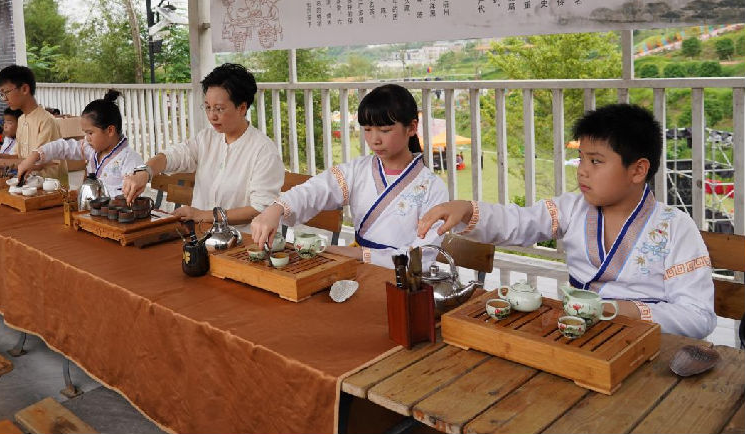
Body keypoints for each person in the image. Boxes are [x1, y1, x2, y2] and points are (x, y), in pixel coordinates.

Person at [417, 104, 716, 339]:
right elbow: (518, 222)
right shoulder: (573, 208)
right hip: (575, 334)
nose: (582, 171)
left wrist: (621, 310)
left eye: (596, 161)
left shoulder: (675, 228)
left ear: (638, 171)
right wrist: (467, 210)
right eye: (582, 159)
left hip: (647, 345)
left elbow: (697, 316)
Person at [250, 84, 450, 267]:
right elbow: (314, 190)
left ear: (412, 128)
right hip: (356, 269)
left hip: (403, 279)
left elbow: (423, 255)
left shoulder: (432, 187)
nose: (374, 140)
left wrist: (359, 254)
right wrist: (276, 209)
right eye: (368, 130)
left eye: (385, 130)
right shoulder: (357, 171)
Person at [122, 63, 284, 228]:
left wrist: (201, 215)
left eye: (219, 109)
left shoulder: (263, 151)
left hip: (243, 244)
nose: (212, 116)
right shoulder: (207, 138)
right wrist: (145, 172)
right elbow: (172, 156)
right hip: (201, 236)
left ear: (242, 108)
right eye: (207, 107)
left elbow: (260, 209)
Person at [17, 90, 143, 195]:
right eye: (85, 133)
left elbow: (129, 195)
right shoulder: (91, 149)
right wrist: (34, 157)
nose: (87, 138)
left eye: (90, 133)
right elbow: (63, 147)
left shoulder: (129, 159)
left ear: (110, 130)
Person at [0, 65, 67, 184]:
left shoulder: (46, 121)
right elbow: (20, 157)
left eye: (6, 92)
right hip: (29, 185)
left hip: (51, 188)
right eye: (1, 94)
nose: (4, 99)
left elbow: (39, 162)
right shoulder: (22, 119)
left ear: (24, 89)